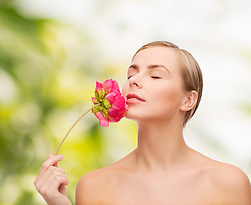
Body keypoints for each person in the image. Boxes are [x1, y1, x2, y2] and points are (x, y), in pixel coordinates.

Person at [34, 41, 251, 205]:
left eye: (156, 76)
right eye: (131, 74)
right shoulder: (93, 186)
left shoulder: (228, 183)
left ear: (188, 100)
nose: (134, 81)